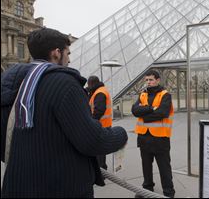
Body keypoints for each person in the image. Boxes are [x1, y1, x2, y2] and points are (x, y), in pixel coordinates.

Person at [1, 28, 128, 198]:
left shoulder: (11, 82)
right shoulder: (64, 83)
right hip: (60, 187)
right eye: (68, 53)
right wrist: (120, 134)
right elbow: (92, 140)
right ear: (56, 53)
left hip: (17, 185)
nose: (69, 60)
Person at [132, 70, 175, 198]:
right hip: (144, 137)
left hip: (160, 138)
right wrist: (151, 109)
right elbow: (134, 110)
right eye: (146, 80)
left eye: (151, 80)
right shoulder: (143, 94)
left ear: (157, 80)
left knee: (164, 167)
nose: (148, 82)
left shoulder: (165, 95)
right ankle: (147, 188)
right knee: (146, 166)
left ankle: (168, 192)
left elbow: (163, 112)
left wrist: (144, 116)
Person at [87, 76, 112, 171]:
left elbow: (99, 111)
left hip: (101, 125)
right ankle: (101, 169)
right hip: (104, 124)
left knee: (100, 151)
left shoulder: (99, 93)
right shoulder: (100, 90)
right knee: (101, 150)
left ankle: (101, 171)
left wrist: (90, 122)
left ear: (91, 84)